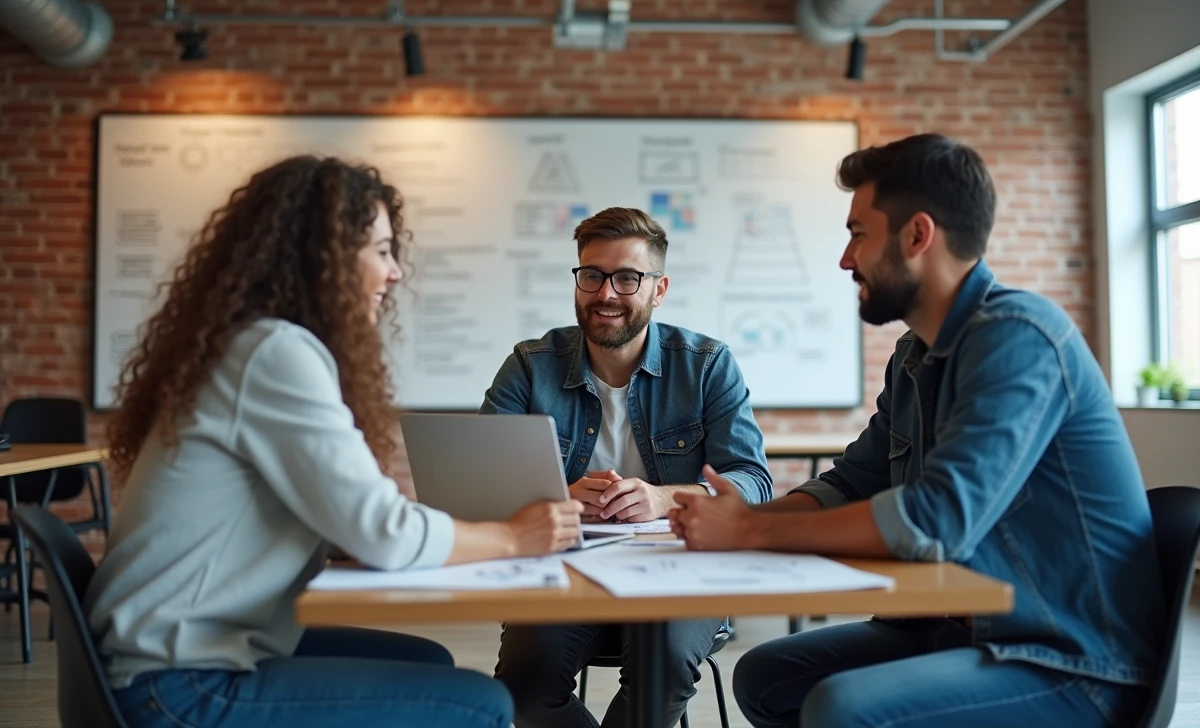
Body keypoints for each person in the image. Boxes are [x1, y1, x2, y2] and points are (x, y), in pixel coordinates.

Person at [669, 134, 1165, 728]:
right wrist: (745, 519)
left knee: (841, 707)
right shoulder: (914, 352)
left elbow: (935, 521)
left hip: (1069, 661)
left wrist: (750, 531)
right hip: (950, 629)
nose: (845, 260)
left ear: (917, 236)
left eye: (858, 234)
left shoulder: (1020, 337)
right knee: (765, 677)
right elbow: (855, 480)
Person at [86, 157, 583, 728]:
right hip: (173, 682)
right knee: (483, 704)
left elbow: (356, 523)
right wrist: (515, 536)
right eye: (380, 250)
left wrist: (361, 531)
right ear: (321, 258)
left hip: (178, 654)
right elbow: (383, 531)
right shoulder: (274, 352)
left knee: (430, 662)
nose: (395, 273)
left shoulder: (250, 345)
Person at [480, 206, 773, 728]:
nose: (606, 293)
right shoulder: (531, 363)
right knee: (521, 685)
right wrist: (560, 495)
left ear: (658, 289)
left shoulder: (706, 363)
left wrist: (666, 498)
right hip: (566, 566)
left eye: (627, 278)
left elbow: (753, 483)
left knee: (659, 676)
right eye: (592, 275)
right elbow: (481, 481)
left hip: (682, 567)